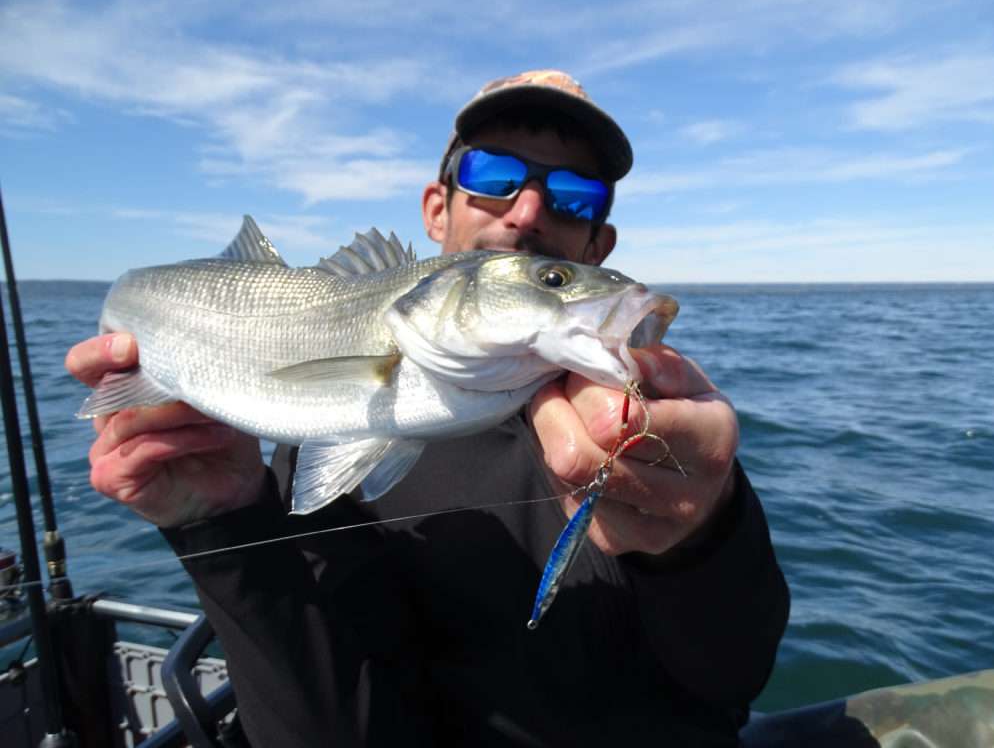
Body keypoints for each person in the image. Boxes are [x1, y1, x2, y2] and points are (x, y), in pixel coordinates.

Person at [66, 70, 789, 747]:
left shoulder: (656, 430)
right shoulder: (327, 436)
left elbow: (733, 679)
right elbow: (327, 729)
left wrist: (704, 536)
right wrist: (218, 521)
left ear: (601, 244)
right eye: (494, 176)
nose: (529, 210)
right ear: (436, 209)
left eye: (573, 196)